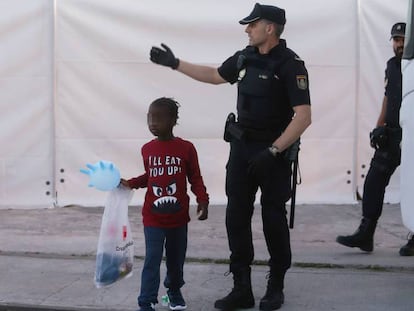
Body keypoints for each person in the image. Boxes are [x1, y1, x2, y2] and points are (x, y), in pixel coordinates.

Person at [149, 3, 311, 310]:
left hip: (273, 153)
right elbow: (213, 75)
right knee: (236, 217)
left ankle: (275, 287)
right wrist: (175, 63)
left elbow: (303, 117)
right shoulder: (243, 58)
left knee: (272, 218)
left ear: (270, 28)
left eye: (252, 24)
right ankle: (242, 289)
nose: (247, 29)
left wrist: (274, 150)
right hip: (242, 150)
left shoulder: (291, 65)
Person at [120, 97, 209, 311]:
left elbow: (195, 177)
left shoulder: (186, 148)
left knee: (176, 260)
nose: (153, 123)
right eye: (150, 118)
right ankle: (146, 299)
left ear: (173, 120)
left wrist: (203, 199)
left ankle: (174, 292)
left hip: (178, 218)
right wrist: (130, 183)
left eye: (159, 118)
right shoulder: (147, 149)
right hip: (153, 218)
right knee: (152, 258)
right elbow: (150, 177)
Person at [336, 22, 414, 257]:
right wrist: (378, 125)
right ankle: (366, 233)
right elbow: (388, 97)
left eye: (403, 39)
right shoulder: (392, 65)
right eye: (396, 39)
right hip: (392, 132)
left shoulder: (412, 65)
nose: (399, 44)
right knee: (373, 180)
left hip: (411, 131)